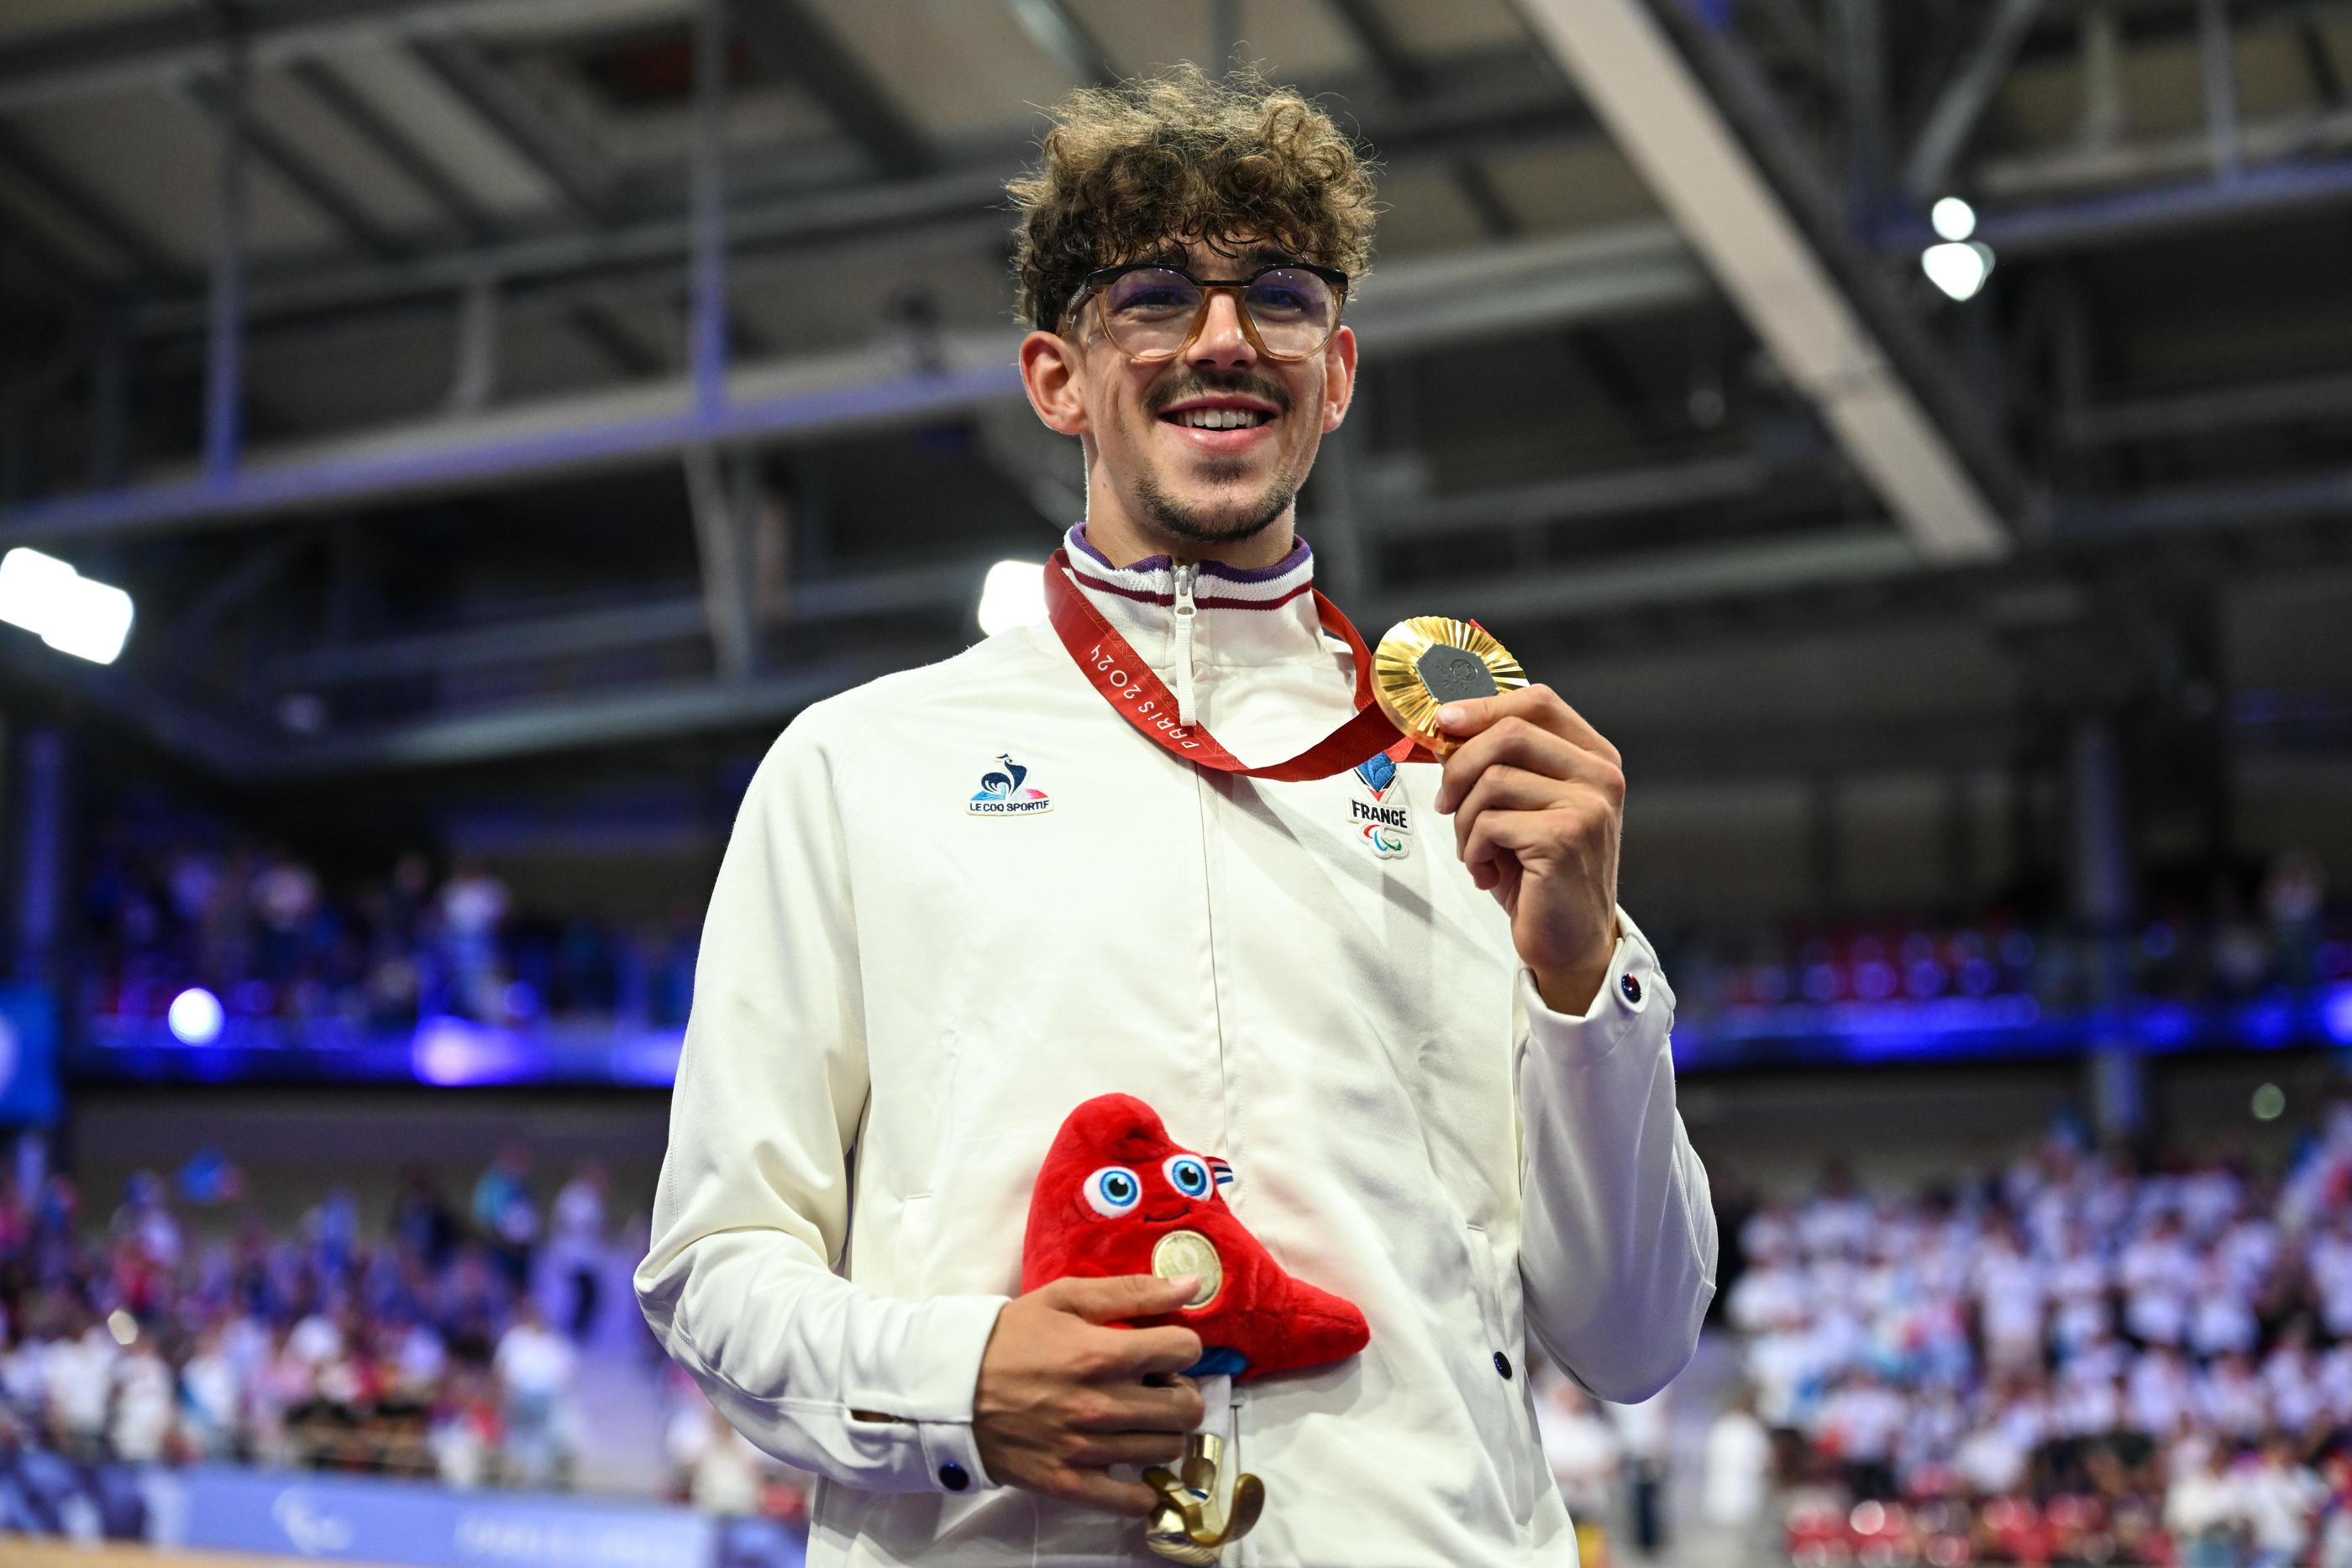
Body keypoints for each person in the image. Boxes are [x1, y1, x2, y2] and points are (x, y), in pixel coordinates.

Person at [637, 64, 1715, 1565]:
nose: (1223, 338)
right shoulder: (860, 764)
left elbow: (1637, 1337)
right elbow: (714, 1267)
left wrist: (1581, 977)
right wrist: (955, 1387)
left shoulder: (1470, 780)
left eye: (1277, 294)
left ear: (1335, 372)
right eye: (1154, 296)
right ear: (1057, 375)